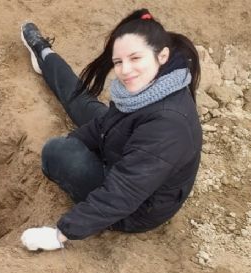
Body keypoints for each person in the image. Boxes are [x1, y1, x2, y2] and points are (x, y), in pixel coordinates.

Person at [18, 9, 202, 251]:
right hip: (128, 146)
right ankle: (45, 56)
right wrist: (78, 142)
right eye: (118, 62)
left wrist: (61, 234)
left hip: (138, 209)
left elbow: (124, 193)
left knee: (57, 152)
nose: (125, 70)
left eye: (135, 58)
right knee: (82, 104)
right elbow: (104, 124)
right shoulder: (147, 88)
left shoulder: (168, 125)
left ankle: (66, 158)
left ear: (162, 55)